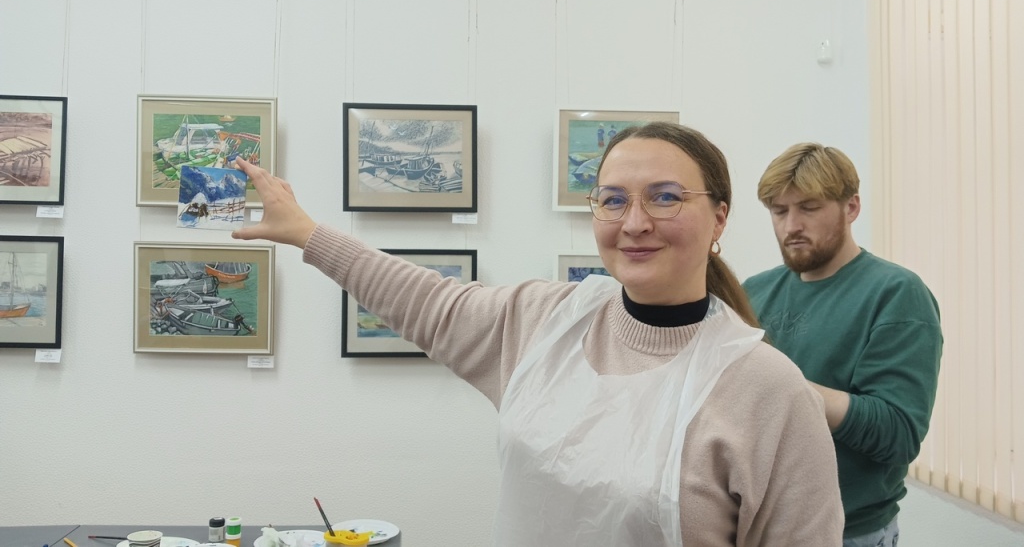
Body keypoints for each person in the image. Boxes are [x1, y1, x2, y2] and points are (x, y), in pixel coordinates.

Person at [233, 122, 844, 546]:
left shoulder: (769, 392)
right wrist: (307, 234)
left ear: (720, 217)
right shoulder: (545, 322)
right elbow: (425, 300)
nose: (634, 223)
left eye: (664, 198)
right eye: (612, 200)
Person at [742, 143, 943, 547]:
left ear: (851, 207)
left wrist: (785, 387)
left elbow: (897, 433)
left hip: (847, 532)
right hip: (757, 525)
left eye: (809, 208)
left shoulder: (896, 293)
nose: (791, 226)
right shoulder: (753, 291)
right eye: (779, 211)